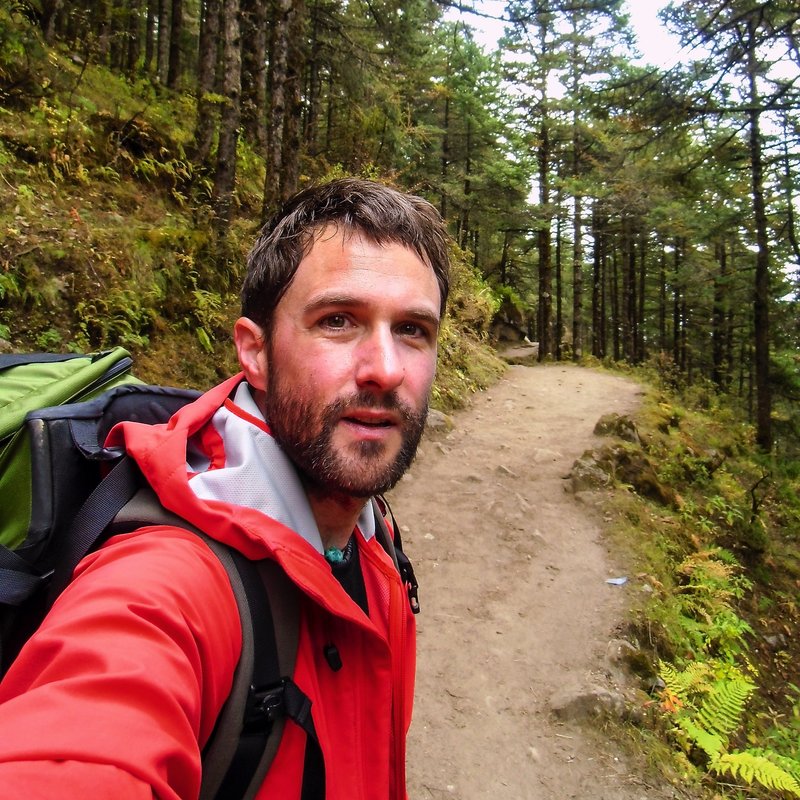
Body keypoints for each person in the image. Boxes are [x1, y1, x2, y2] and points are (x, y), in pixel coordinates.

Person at [0, 178, 451, 799]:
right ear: (255, 352)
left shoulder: (369, 531)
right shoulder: (167, 583)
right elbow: (83, 738)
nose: (386, 369)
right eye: (338, 321)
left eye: (412, 330)